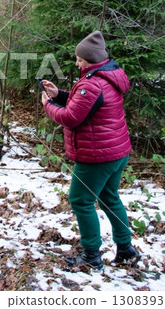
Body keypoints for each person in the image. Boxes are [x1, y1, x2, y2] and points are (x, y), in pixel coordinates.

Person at [41, 31, 139, 270]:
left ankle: (91, 255)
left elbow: (72, 117)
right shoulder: (106, 77)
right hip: (117, 152)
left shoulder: (92, 83)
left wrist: (48, 104)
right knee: (109, 197)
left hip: (97, 155)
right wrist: (59, 94)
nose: (77, 63)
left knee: (81, 200)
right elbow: (87, 105)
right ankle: (125, 249)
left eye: (80, 60)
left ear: (92, 60)